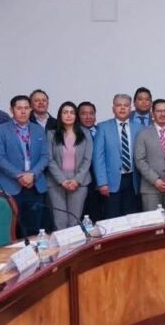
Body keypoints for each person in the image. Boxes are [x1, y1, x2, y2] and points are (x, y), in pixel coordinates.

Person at [0, 95, 50, 238]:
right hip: (10, 185)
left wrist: (32, 174)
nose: (23, 111)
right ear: (12, 110)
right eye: (19, 108)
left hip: (34, 185)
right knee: (12, 229)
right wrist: (20, 175)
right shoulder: (0, 130)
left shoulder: (38, 130)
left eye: (26, 108)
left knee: (34, 228)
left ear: (31, 109)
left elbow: (45, 156)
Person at [46, 102, 92, 230]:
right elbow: (49, 159)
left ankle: (74, 243)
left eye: (72, 112)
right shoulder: (51, 134)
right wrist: (62, 180)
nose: (68, 115)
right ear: (60, 115)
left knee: (74, 221)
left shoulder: (85, 133)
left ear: (76, 115)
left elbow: (87, 159)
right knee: (60, 221)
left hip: (79, 182)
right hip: (56, 182)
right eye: (65, 112)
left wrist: (76, 180)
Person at [93, 94, 138, 219]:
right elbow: (98, 157)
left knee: (132, 218)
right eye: (119, 105)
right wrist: (102, 182)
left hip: (133, 180)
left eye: (126, 105)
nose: (122, 108)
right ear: (113, 109)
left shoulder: (138, 128)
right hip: (111, 182)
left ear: (130, 108)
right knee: (113, 218)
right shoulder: (103, 127)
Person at [77, 101, 102, 220]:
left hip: (102, 182)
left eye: (91, 113)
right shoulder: (73, 134)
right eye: (84, 114)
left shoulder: (102, 130)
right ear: (78, 116)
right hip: (82, 181)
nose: (88, 117)